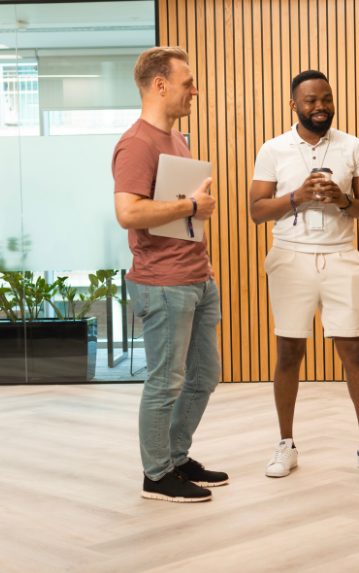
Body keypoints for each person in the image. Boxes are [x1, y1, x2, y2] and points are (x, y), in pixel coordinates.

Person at [249, 69, 359, 479]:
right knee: (289, 353)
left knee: (354, 352)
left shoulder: (353, 146)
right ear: (294, 104)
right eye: (311, 100)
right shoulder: (274, 149)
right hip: (290, 257)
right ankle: (285, 445)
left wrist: (344, 200)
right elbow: (256, 211)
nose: (320, 107)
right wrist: (296, 196)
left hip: (340, 256)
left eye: (326, 99)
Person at [112, 46, 228, 503]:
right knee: (165, 381)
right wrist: (192, 207)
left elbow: (181, 213)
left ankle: (177, 458)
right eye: (188, 82)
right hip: (161, 283)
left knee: (204, 376)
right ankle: (156, 475)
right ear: (160, 85)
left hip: (195, 277)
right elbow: (128, 212)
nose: (194, 90)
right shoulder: (136, 143)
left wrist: (203, 253)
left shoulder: (177, 139)